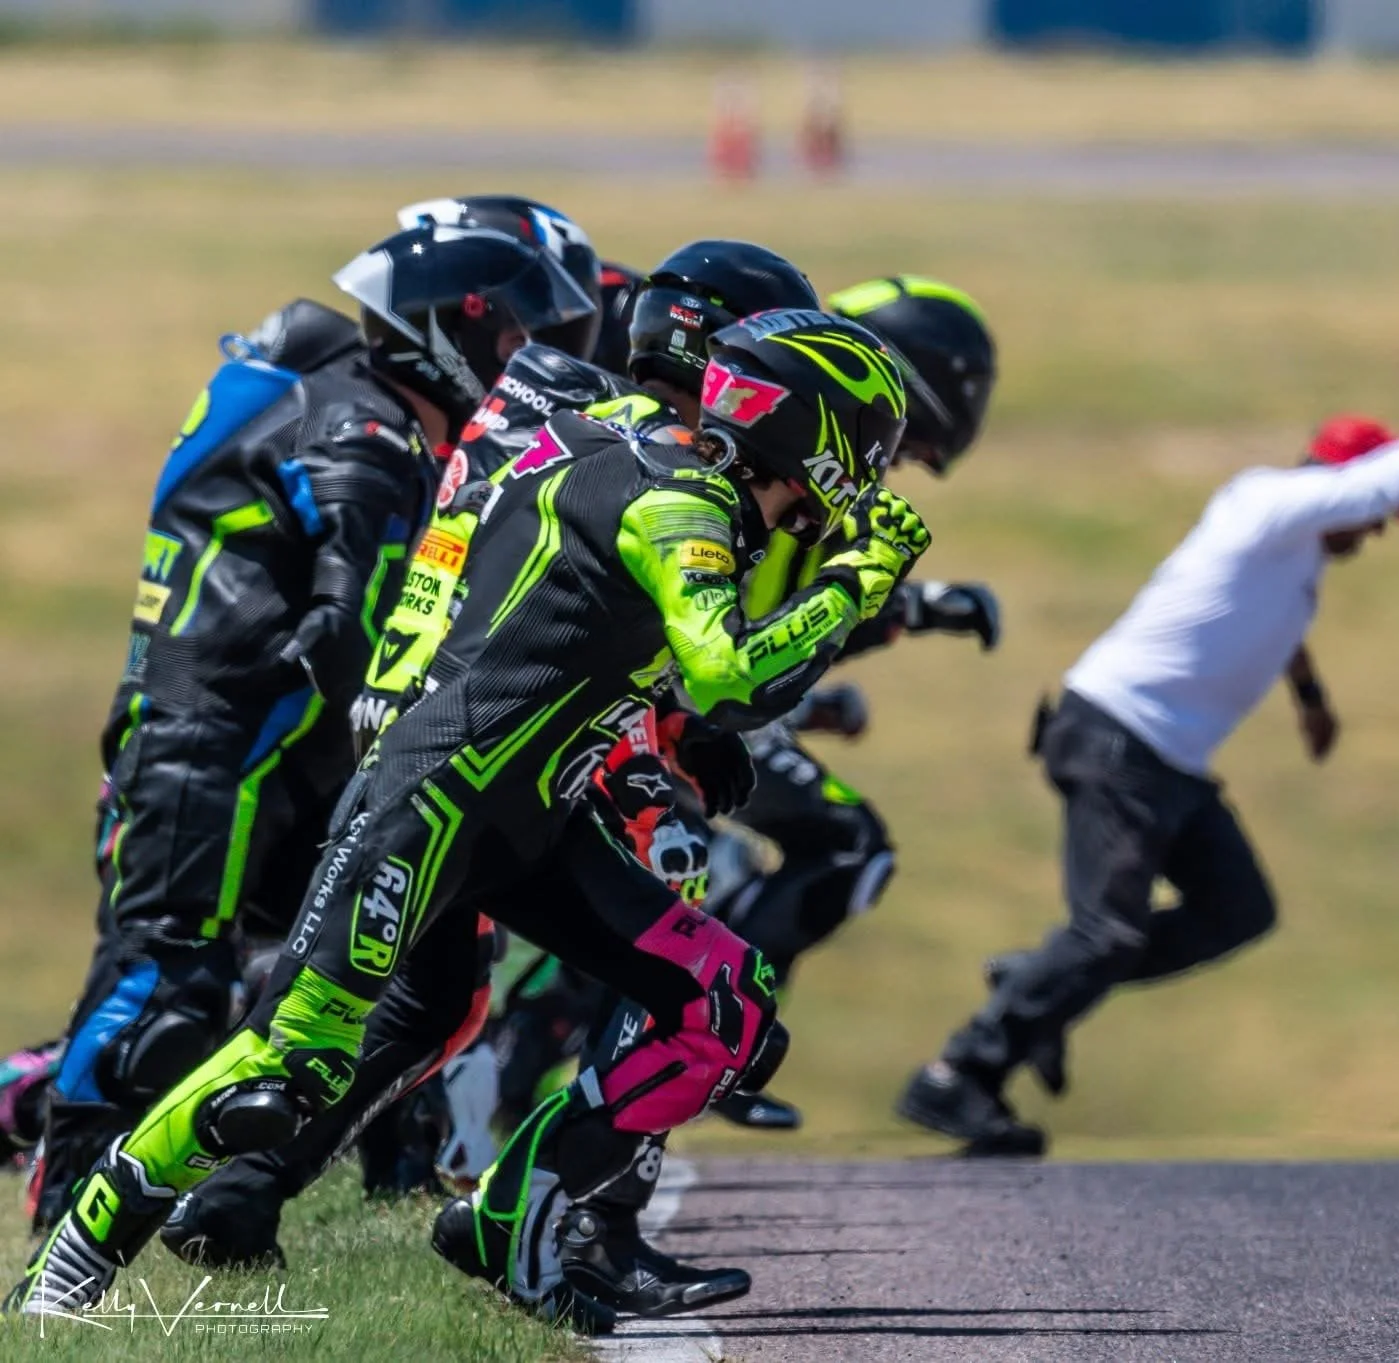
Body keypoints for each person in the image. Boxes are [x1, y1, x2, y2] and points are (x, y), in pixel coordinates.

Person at [9, 308, 929, 1327]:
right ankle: (72, 1260)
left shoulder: (634, 444)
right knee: (288, 1060)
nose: (874, 477)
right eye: (870, 446)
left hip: (539, 814)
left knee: (721, 1005)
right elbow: (725, 674)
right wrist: (858, 577)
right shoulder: (680, 494)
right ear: (821, 434)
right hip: (433, 799)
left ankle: (508, 1223)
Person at [157, 242, 824, 1297]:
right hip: (483, 729)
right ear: (712, 343)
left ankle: (239, 1192)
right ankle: (586, 1231)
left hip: (439, 708)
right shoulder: (619, 427)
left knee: (432, 1003)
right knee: (668, 900)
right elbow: (567, 605)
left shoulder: (573, 400)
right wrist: (670, 738)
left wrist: (682, 727)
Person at [28, 217, 596, 1228]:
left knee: (325, 985)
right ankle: (57, 1225)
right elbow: (353, 629)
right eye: (511, 338)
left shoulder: (340, 400)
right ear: (450, 326)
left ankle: (231, 1198)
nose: (519, 364)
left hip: (269, 753)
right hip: (209, 748)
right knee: (160, 991)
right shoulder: (362, 430)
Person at [896, 390, 1399, 1155]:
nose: (1379, 528)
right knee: (1107, 931)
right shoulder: (1270, 503)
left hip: (1166, 759)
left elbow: (1261, 623)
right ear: (1342, 482)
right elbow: (1390, 482)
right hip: (1118, 737)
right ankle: (959, 1071)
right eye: (1376, 511)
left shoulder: (1290, 553)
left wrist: (1312, 700)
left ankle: (1034, 978)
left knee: (1237, 908)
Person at [706, 275, 1002, 1132]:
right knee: (845, 845)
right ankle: (713, 1042)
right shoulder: (809, 452)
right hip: (692, 702)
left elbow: (795, 611)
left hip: (705, 691)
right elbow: (794, 604)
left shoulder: (791, 423)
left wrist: (817, 694)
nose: (892, 466)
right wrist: (923, 606)